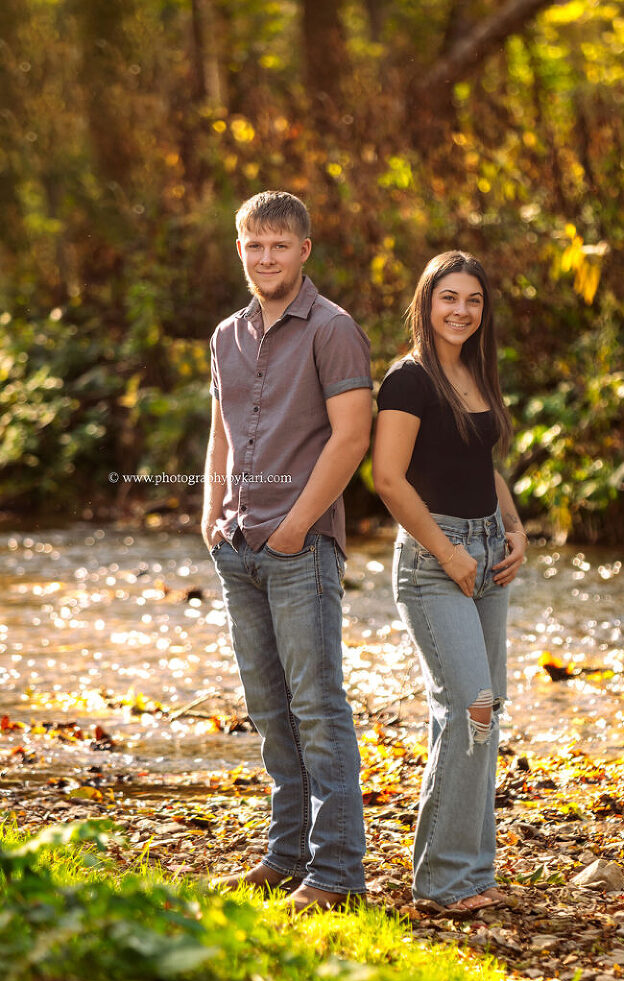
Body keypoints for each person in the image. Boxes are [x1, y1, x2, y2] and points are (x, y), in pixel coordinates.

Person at [202, 190, 371, 911]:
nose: (265, 257)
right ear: (239, 250)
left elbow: (352, 437)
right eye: (254, 245)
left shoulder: (332, 329)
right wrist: (209, 510)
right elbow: (222, 428)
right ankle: (285, 853)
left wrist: (298, 524)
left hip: (300, 548)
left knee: (317, 707)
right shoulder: (226, 335)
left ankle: (335, 873)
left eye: (280, 244)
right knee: (269, 708)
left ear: (305, 250)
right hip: (237, 545)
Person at [372, 251, 527, 917]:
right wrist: (448, 552)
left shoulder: (475, 373)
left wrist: (515, 529)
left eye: (473, 300)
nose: (461, 310)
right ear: (426, 302)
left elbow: (481, 465)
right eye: (449, 298)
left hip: (489, 550)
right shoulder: (409, 380)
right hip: (436, 561)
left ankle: (471, 872)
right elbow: (387, 478)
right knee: (470, 705)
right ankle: (440, 883)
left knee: (484, 715)